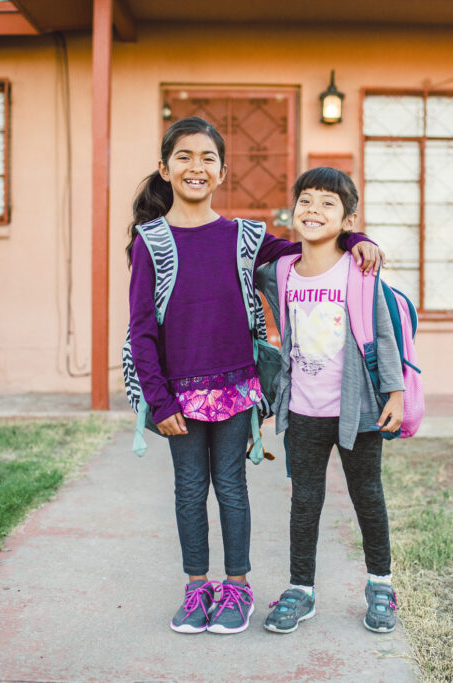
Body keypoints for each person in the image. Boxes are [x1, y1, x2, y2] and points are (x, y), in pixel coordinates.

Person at [127, 118, 383, 635]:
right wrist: (159, 401)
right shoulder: (149, 241)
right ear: (164, 168)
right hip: (177, 396)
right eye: (184, 156)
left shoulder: (244, 237)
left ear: (223, 172)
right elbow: (140, 329)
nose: (195, 167)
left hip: (236, 389)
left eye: (207, 158)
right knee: (188, 490)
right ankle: (198, 587)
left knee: (232, 488)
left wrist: (355, 235)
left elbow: (308, 247)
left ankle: (238, 588)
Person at [256, 167, 405, 635]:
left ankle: (380, 584)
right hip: (301, 411)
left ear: (347, 220)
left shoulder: (359, 271)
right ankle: (301, 589)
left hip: (358, 411)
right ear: (292, 211)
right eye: (305, 200)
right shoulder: (279, 272)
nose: (313, 209)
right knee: (305, 502)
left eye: (327, 203)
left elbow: (383, 333)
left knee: (368, 497)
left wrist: (395, 392)